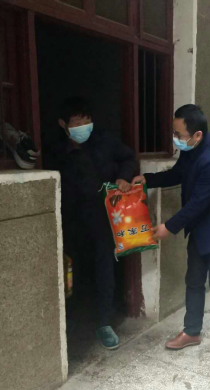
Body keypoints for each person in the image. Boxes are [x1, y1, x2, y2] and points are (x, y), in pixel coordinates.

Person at [131, 104, 210, 360]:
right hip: (200, 230)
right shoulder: (191, 150)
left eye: (179, 135)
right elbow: (177, 174)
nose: (175, 139)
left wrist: (169, 227)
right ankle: (192, 331)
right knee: (193, 282)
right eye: (174, 132)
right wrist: (148, 179)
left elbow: (197, 205)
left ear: (197, 135)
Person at [53, 97, 136, 350]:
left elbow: (128, 158)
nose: (84, 127)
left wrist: (123, 177)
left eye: (87, 121)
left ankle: (104, 323)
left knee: (104, 268)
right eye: (77, 122)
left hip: (102, 217)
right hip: (70, 220)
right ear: (63, 125)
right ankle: (70, 318)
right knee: (71, 270)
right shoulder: (56, 151)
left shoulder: (104, 141)